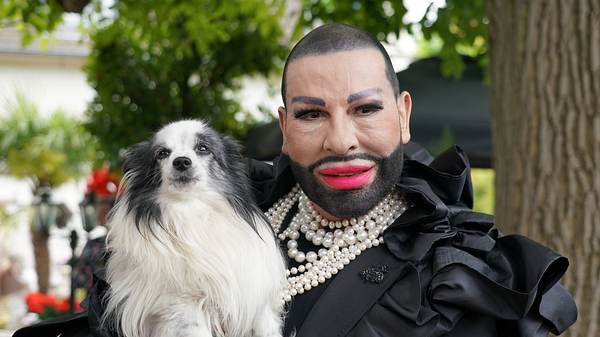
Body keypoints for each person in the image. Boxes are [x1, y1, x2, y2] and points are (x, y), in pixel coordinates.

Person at [14, 23, 577, 337]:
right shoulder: (234, 209)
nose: (340, 140)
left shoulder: (459, 276)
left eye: (365, 109)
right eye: (311, 113)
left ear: (402, 115)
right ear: (285, 129)